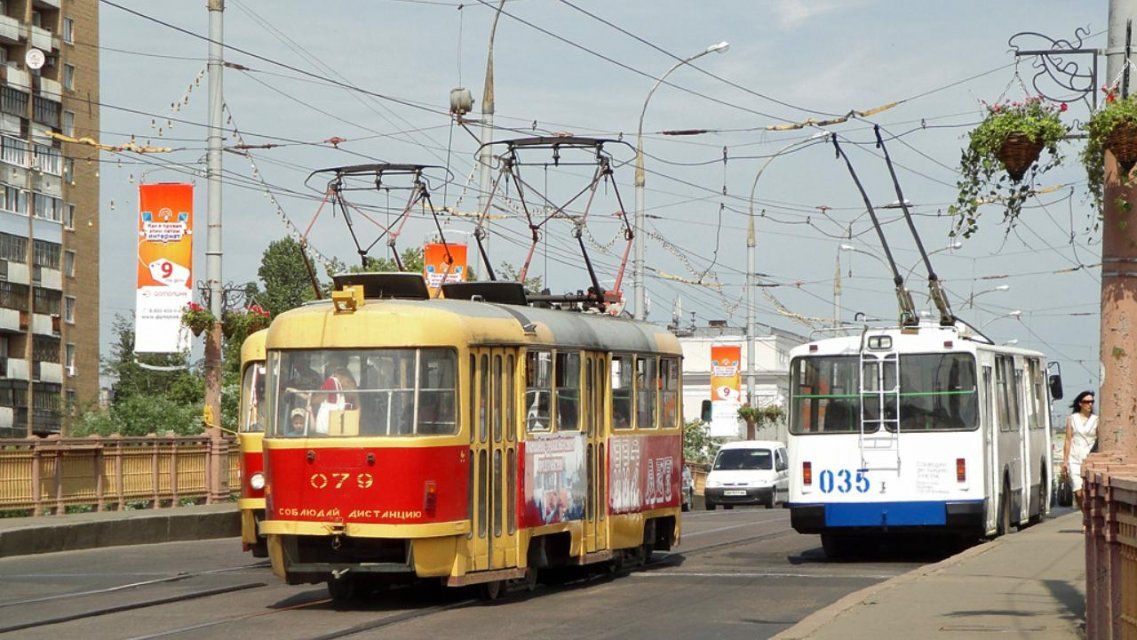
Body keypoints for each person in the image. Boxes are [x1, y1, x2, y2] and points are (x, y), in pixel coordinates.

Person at [1062, 390, 1099, 509]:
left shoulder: (1096, 420)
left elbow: (1099, 439)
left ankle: (1087, 516)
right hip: (1074, 459)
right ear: (1080, 403)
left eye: (1092, 402)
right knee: (1078, 492)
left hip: (1089, 459)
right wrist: (1065, 461)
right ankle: (1085, 513)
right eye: (1087, 402)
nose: (1090, 404)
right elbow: (1068, 440)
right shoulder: (1072, 419)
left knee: (1087, 491)